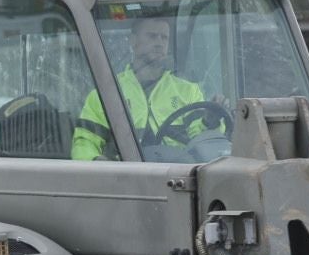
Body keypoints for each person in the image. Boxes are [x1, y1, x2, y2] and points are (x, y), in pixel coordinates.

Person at [71, 13, 207, 160]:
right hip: (125, 177)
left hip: (177, 176)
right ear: (133, 41)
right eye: (152, 36)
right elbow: (84, 141)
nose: (159, 43)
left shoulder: (189, 91)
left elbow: (202, 140)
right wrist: (95, 161)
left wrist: (209, 121)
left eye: (164, 37)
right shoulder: (105, 93)